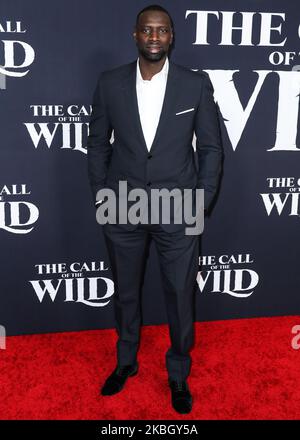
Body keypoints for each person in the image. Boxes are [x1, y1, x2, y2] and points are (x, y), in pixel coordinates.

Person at [87, 4, 223, 414]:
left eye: (161, 30)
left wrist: (199, 201)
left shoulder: (194, 85)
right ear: (135, 35)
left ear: (171, 37)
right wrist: (101, 194)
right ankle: (125, 361)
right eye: (147, 29)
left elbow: (212, 149)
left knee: (180, 296)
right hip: (122, 206)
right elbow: (97, 145)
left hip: (178, 207)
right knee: (125, 293)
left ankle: (178, 372)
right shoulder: (110, 83)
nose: (154, 36)